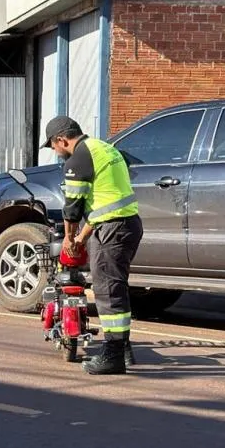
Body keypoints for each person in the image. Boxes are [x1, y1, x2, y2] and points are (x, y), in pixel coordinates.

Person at [43, 115, 144, 375]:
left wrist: (70, 238)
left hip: (113, 229)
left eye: (53, 147)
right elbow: (104, 204)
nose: (55, 152)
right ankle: (123, 349)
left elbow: (73, 207)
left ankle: (113, 355)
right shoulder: (105, 148)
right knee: (115, 287)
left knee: (108, 290)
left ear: (61, 140)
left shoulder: (78, 159)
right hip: (127, 224)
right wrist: (82, 239)